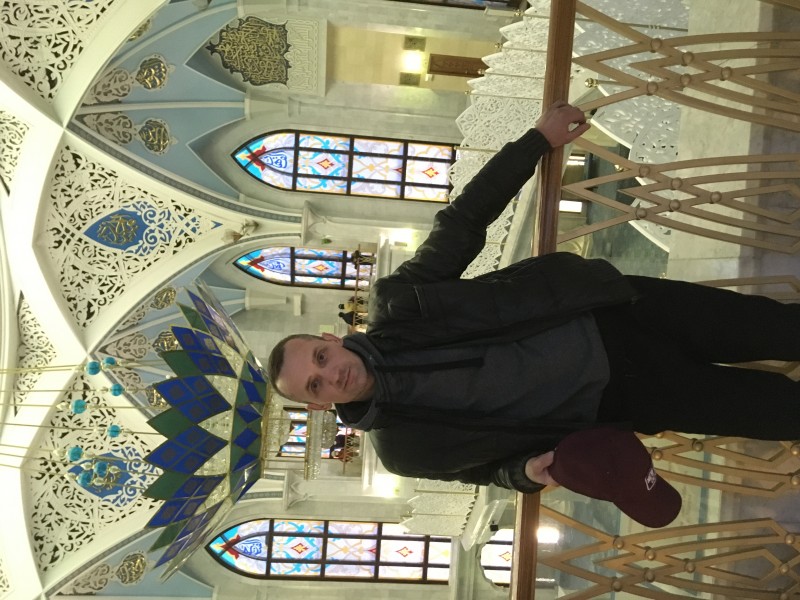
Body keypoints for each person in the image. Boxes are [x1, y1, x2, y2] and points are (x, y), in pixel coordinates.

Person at [267, 101, 800, 494]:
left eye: (320, 358)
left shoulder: (400, 301)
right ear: (318, 404)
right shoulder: (403, 451)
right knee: (777, 414)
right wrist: (521, 473)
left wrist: (537, 141)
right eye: (316, 384)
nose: (331, 375)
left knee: (780, 328)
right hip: (624, 399)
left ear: (330, 339)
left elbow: (462, 223)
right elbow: (484, 472)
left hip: (615, 313)